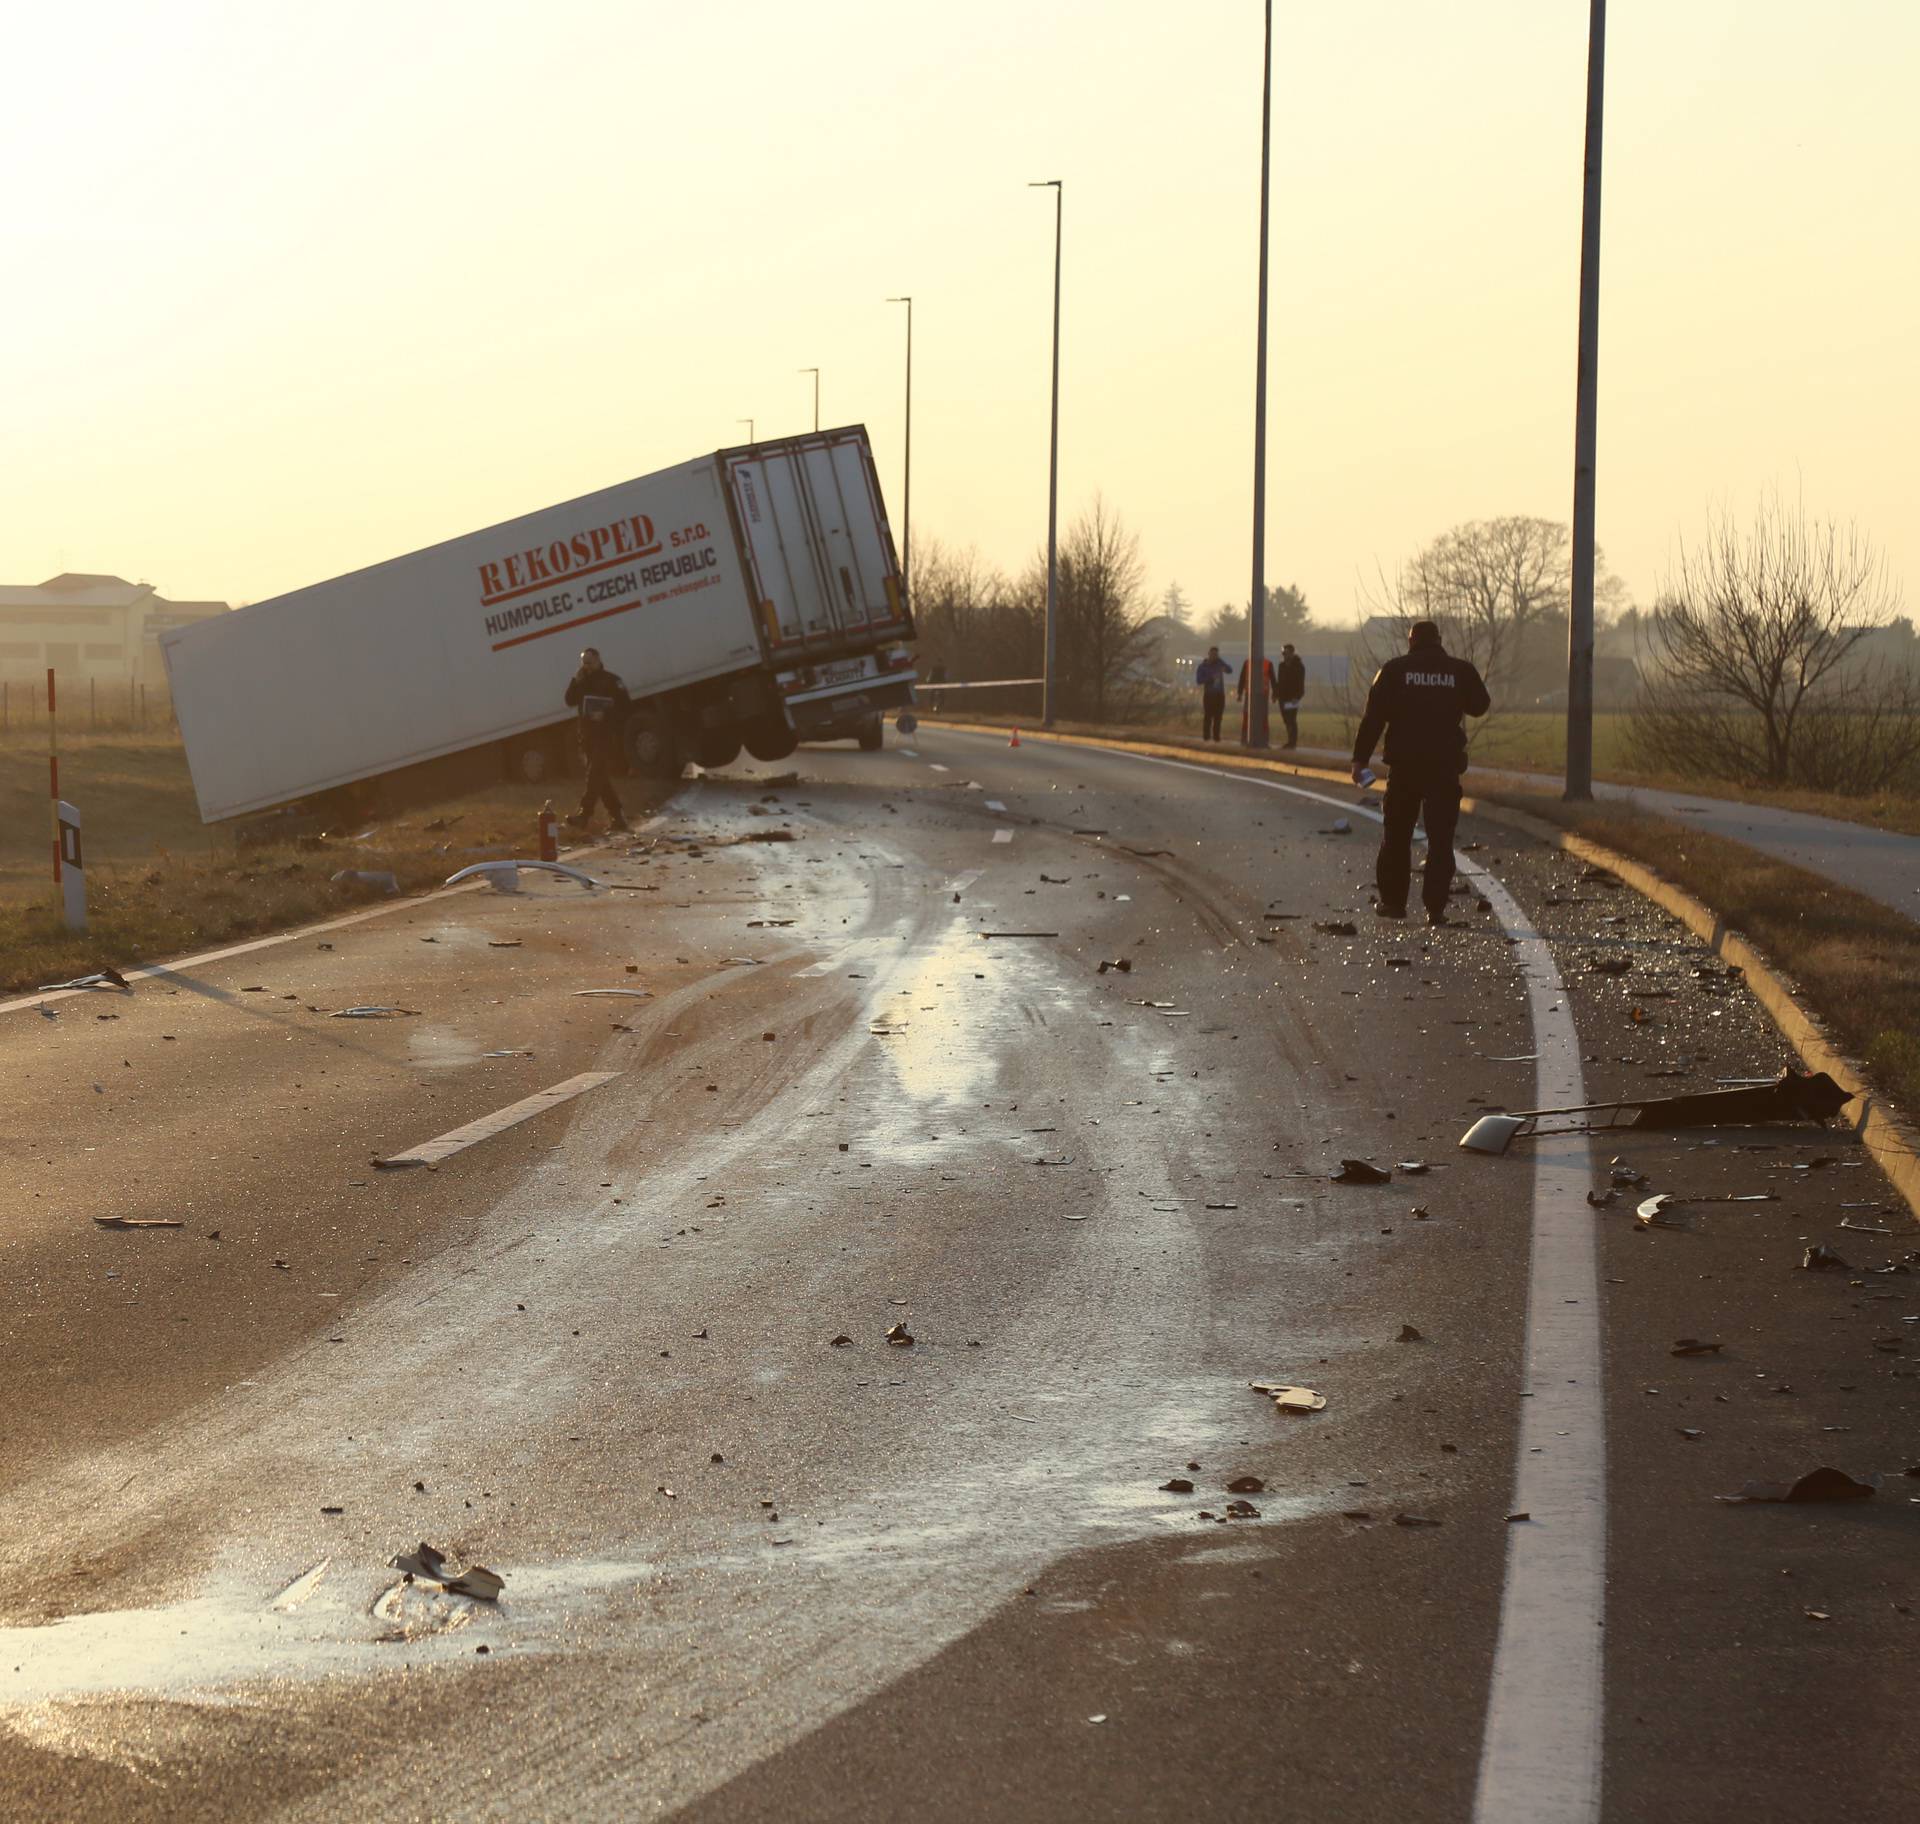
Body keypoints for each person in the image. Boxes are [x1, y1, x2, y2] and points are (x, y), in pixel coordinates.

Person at [1350, 620, 1490, 926]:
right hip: (1444, 768)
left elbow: (1373, 719)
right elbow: (1480, 705)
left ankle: (1394, 903)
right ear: (1439, 640)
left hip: (1405, 767)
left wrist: (1360, 760)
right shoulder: (1460, 670)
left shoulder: (1394, 671)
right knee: (1441, 839)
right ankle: (1436, 908)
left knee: (1397, 836)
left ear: (1411, 641)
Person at [563, 646, 633, 833]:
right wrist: (574, 681)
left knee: (594, 774)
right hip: (587, 737)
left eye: (590, 663)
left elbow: (626, 708)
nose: (586, 667)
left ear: (598, 661)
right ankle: (618, 818)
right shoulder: (581, 681)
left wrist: (606, 715)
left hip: (606, 736)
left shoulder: (611, 681)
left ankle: (584, 815)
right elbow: (569, 700)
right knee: (600, 778)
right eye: (583, 663)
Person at [1237, 651, 1276, 742]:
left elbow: (1273, 680)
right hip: (1249, 694)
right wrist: (1239, 693)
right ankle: (1245, 739)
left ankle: (1264, 740)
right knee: (1247, 716)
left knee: (1263, 718)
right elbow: (1242, 678)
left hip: (1263, 695)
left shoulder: (1268, 664)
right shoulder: (1247, 663)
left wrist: (1275, 694)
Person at [1194, 645, 1231, 742]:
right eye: (1213, 654)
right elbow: (1199, 680)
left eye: (1216, 655)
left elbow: (1230, 670)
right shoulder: (1203, 667)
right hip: (1209, 694)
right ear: (1209, 654)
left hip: (1219, 694)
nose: (1215, 656)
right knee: (1208, 716)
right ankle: (1206, 737)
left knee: (1218, 717)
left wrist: (1222, 663)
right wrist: (1210, 679)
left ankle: (1216, 737)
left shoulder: (1219, 663)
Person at [1275, 642, 1306, 749]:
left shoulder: (1299, 666)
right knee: (1286, 719)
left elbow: (1300, 683)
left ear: (1292, 653)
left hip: (1293, 698)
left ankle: (1292, 742)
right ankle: (1290, 740)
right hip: (1283, 697)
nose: (1285, 655)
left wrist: (1297, 697)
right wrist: (1275, 694)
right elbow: (1279, 682)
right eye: (1283, 653)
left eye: (1287, 653)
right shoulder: (1281, 666)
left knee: (1291, 719)